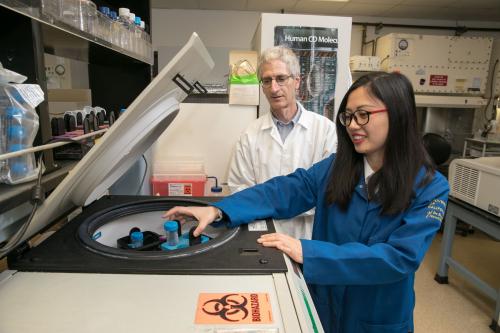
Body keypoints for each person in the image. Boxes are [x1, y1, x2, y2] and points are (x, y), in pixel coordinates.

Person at [164, 72, 449, 333]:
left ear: (399, 115)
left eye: (363, 115)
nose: (352, 125)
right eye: (348, 116)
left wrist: (307, 252)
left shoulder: (430, 187)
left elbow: (399, 258)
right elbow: (284, 190)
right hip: (325, 304)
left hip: (377, 316)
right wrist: (218, 209)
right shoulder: (337, 167)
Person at [227, 45, 337, 239]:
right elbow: (239, 189)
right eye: (267, 81)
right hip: (263, 235)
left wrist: (278, 205)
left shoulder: (326, 131)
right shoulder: (250, 134)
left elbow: (330, 191)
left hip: (308, 236)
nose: (274, 88)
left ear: (297, 81)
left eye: (281, 78)